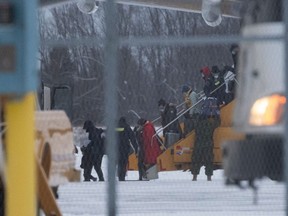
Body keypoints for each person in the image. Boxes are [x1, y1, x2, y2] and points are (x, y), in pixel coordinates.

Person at [190, 67, 221, 181]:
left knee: (196, 159)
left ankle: (194, 176)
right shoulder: (210, 124)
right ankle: (209, 176)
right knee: (209, 159)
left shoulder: (198, 124)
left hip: (198, 144)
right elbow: (217, 123)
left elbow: (193, 125)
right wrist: (217, 116)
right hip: (208, 143)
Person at [117, 117, 138, 181]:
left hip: (116, 147)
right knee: (124, 162)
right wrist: (136, 147)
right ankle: (122, 176)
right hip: (124, 147)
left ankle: (119, 174)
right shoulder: (127, 127)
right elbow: (132, 138)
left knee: (119, 162)